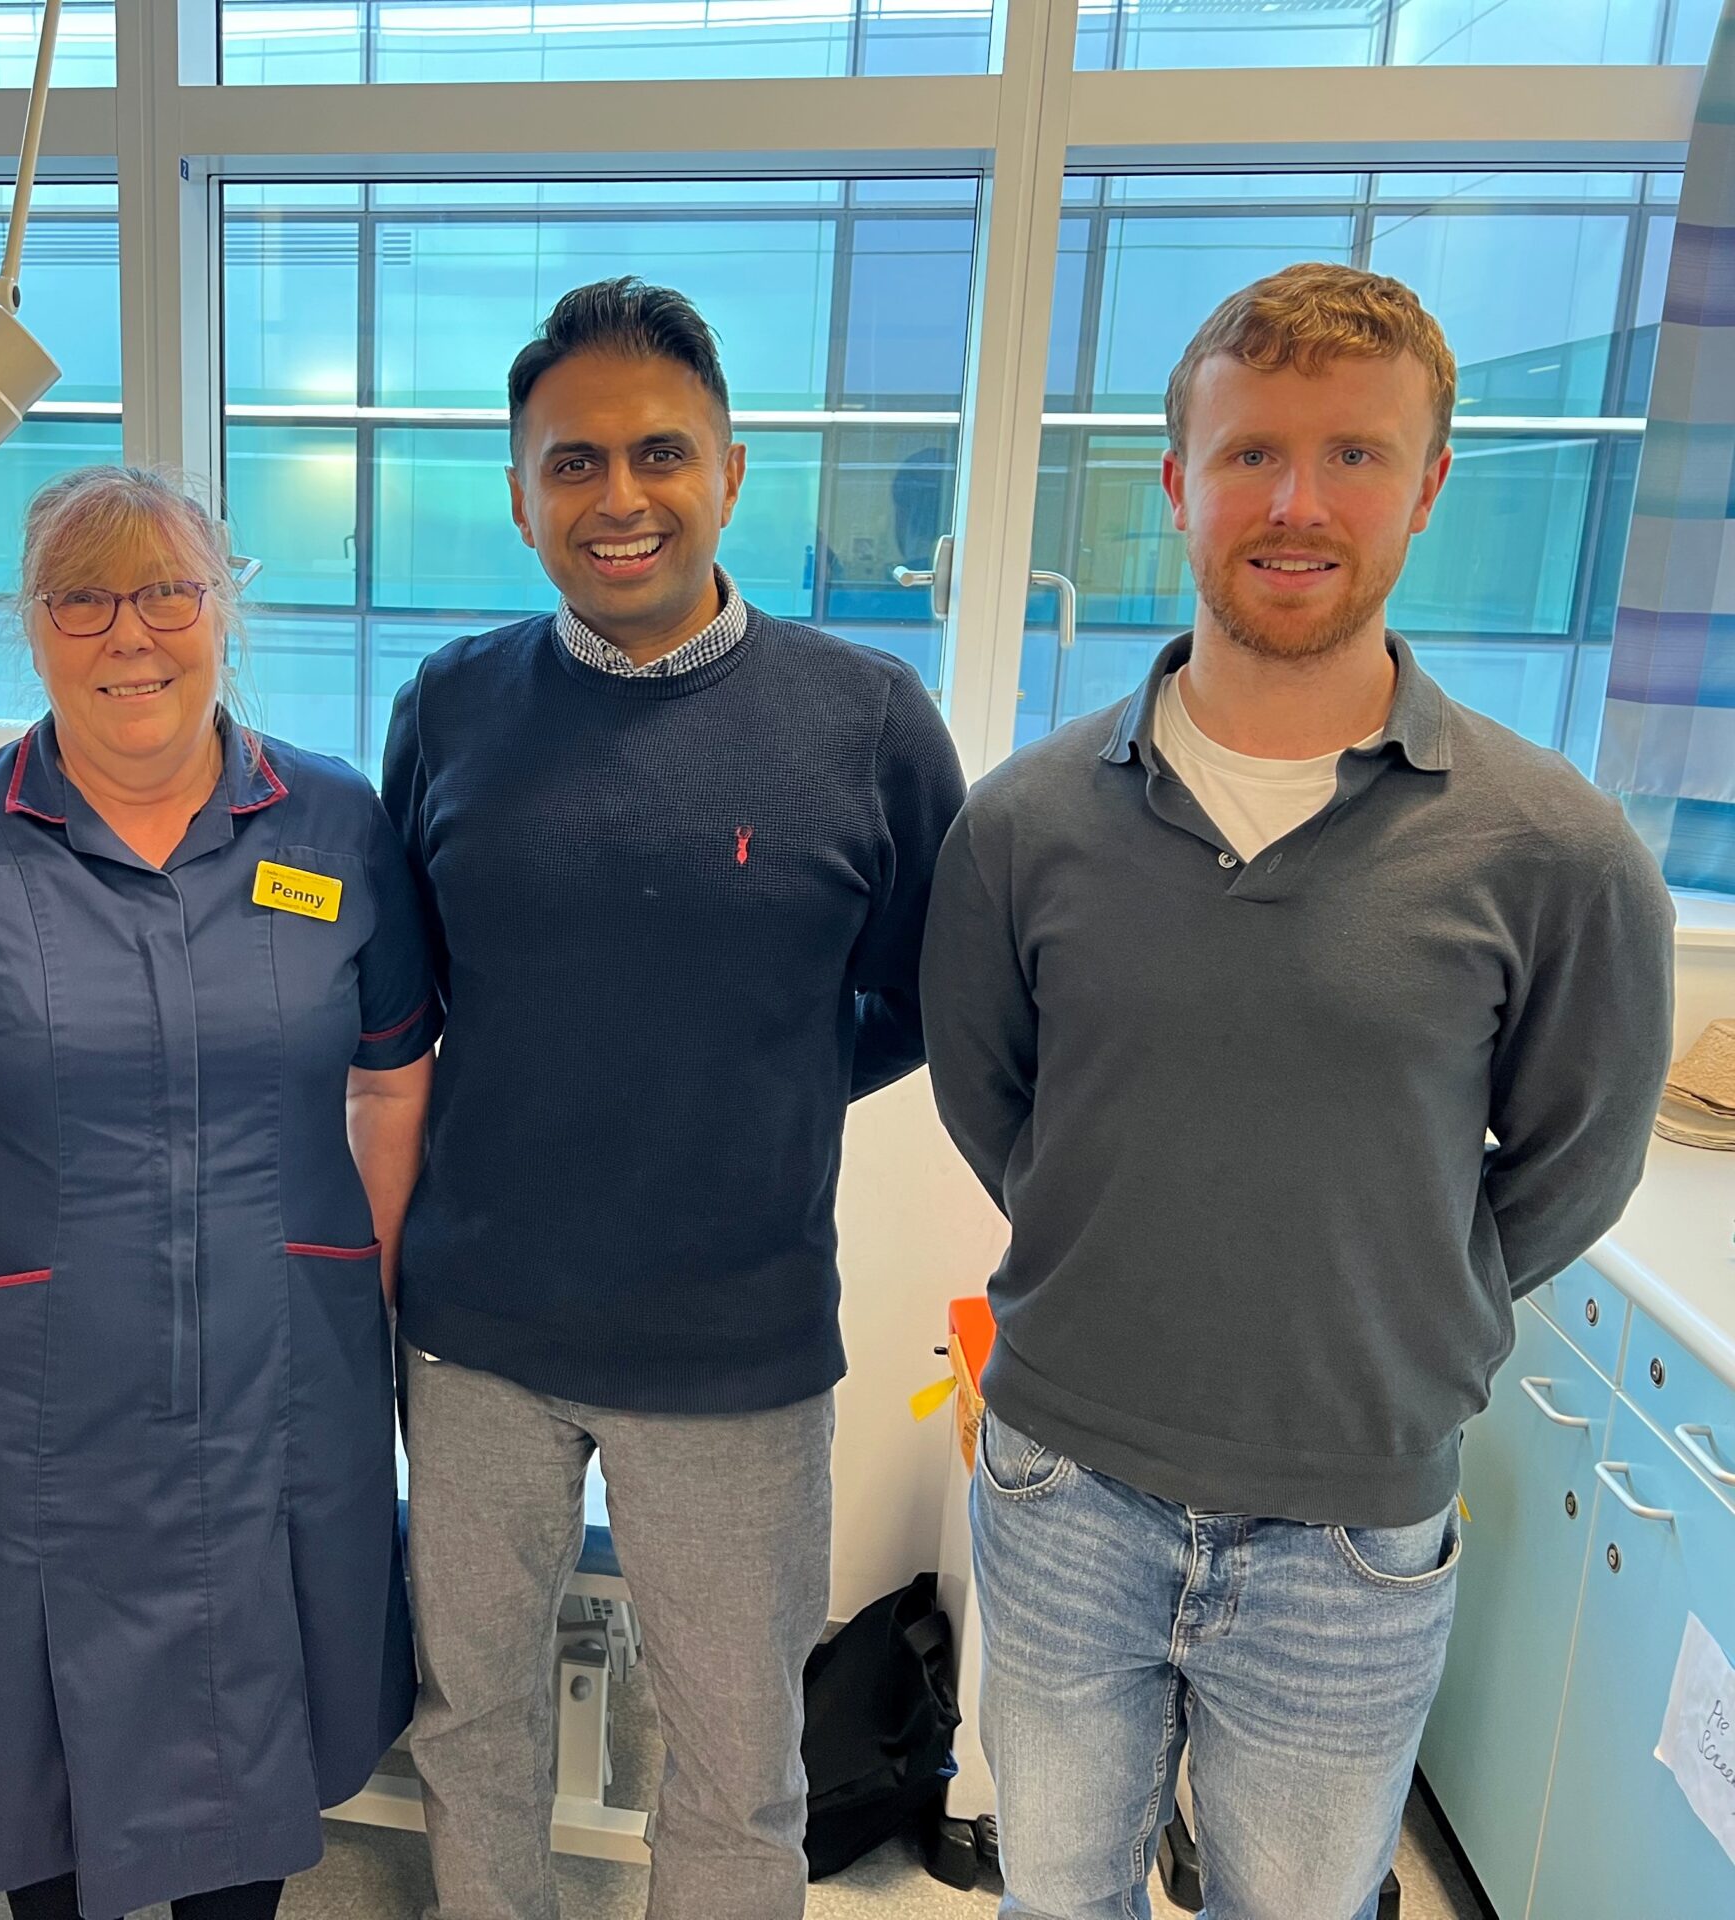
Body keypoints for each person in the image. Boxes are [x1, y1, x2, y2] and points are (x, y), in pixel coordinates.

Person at [918, 263, 1678, 1920]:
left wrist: (1408, 1306)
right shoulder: (1023, 825)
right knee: (1058, 1897)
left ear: (1429, 489)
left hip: (1354, 1531)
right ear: (1177, 482)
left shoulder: (1554, 852)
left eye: (1353, 455)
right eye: (1252, 451)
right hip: (1062, 1489)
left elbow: (1574, 1161)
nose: (1296, 501)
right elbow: (996, 1107)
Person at [382, 278, 968, 1920]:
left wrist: (766, 1076)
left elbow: (932, 994)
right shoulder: (449, 705)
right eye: (572, 463)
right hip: (478, 1327)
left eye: (660, 455)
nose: (617, 497)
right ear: (518, 492)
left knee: (733, 1762)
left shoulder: (865, 722)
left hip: (732, 1344)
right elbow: (418, 1002)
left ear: (730, 471)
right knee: (471, 1717)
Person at [0, 464, 439, 1920]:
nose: (132, 635)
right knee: (33, 1746)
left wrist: (351, 1293)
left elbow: (388, 1085)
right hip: (22, 1389)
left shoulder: (333, 825)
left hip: (272, 1367)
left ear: (225, 610)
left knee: (244, 1730)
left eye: (168, 593)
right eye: (84, 599)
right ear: (36, 629)